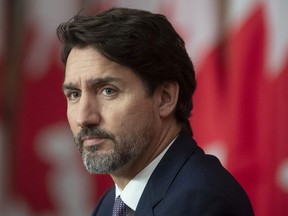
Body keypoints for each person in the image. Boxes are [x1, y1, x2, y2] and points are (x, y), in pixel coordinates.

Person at [57, 7, 254, 216]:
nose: (84, 118)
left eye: (108, 91)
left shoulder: (201, 202)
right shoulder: (108, 205)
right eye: (74, 95)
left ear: (165, 98)